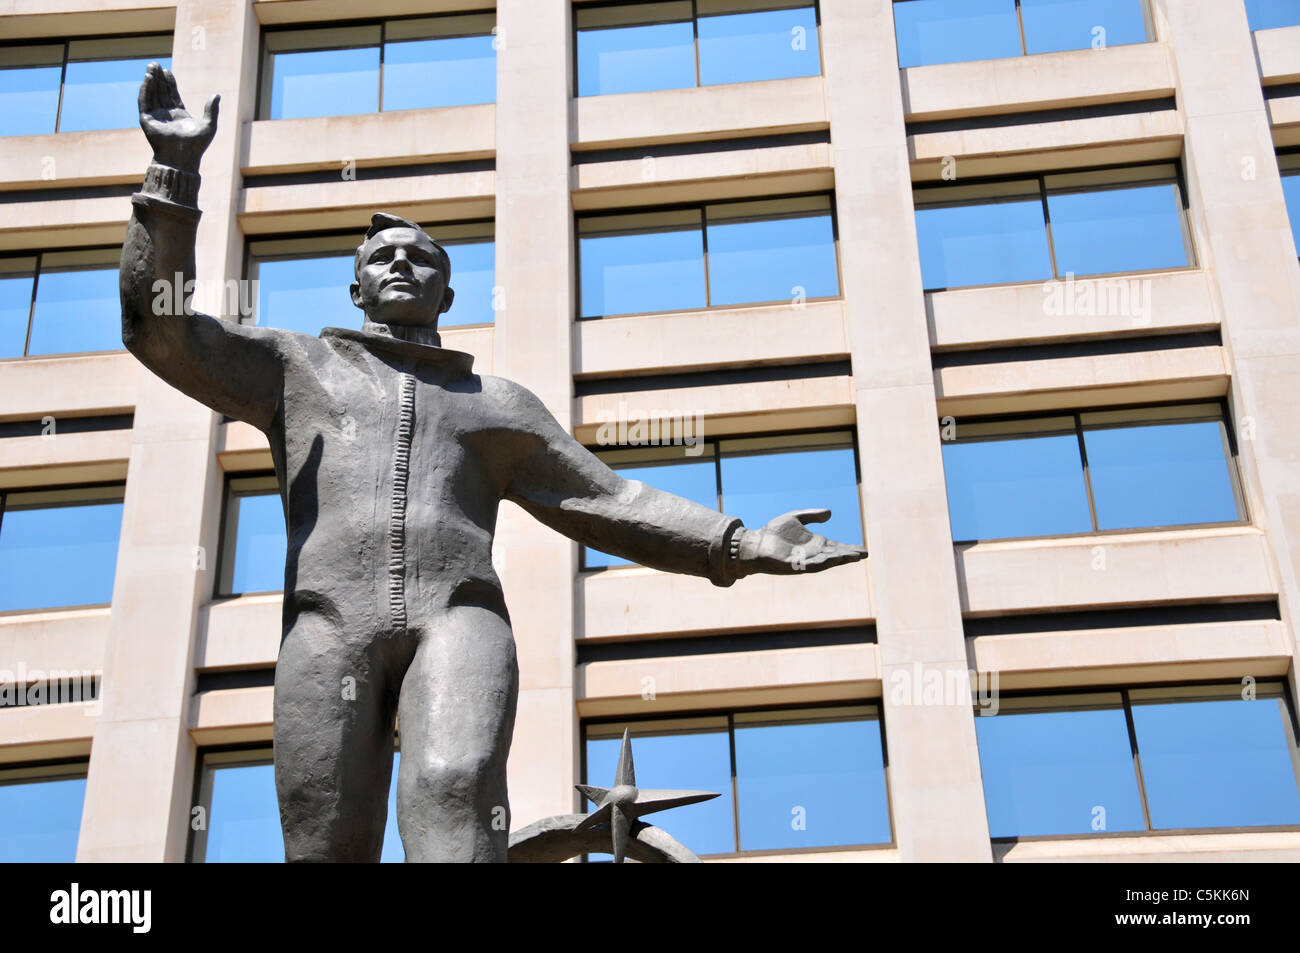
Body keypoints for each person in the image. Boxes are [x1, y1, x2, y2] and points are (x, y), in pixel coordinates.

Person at [123, 64, 867, 861]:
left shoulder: (495, 402)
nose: (402, 263)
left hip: (460, 617)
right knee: (323, 836)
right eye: (383, 256)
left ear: (448, 295)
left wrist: (741, 542)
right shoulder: (294, 368)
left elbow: (608, 498)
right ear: (356, 290)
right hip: (327, 626)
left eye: (422, 256)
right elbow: (157, 329)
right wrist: (174, 176)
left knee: (456, 784)